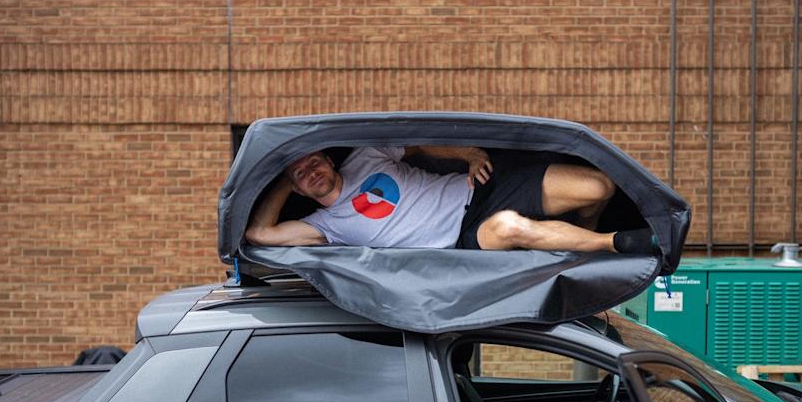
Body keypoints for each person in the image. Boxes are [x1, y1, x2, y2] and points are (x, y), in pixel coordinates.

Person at [245, 145, 657, 253]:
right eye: (302, 174)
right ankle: (610, 243)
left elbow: (421, 142)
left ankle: (577, 241)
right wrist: (285, 175)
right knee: (511, 227)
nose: (312, 172)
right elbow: (260, 233)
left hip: (479, 187)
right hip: (466, 235)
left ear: (328, 160)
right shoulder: (323, 227)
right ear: (297, 189)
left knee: (598, 187)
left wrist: (468, 154)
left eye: (314, 162)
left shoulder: (367, 155)